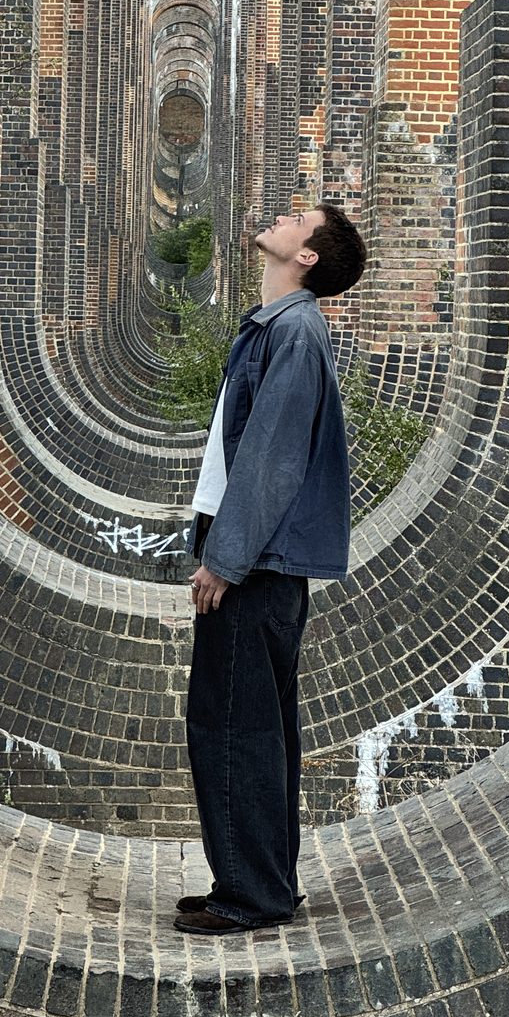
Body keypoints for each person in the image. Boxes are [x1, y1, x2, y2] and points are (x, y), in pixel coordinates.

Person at [175, 200, 367, 936]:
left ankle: (250, 895)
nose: (281, 217)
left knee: (231, 726)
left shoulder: (293, 332)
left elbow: (272, 458)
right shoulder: (283, 328)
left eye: (297, 218)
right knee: (257, 725)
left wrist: (224, 560)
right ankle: (260, 881)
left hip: (255, 567)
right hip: (263, 562)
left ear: (308, 256)